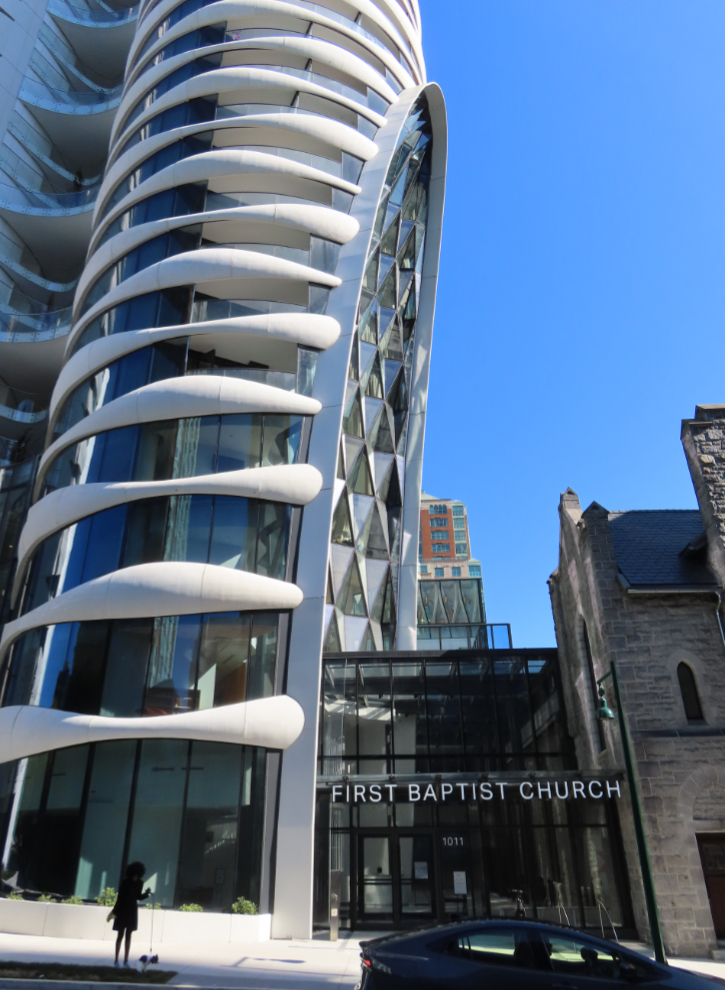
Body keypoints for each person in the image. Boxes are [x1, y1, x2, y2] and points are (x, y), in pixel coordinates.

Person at [112, 862, 151, 968]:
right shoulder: (125, 882)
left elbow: (138, 897)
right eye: (134, 875)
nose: (135, 877)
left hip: (132, 911)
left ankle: (126, 960)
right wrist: (114, 912)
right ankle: (116, 960)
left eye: (137, 875)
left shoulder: (140, 883)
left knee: (128, 935)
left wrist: (146, 894)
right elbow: (119, 898)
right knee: (120, 935)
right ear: (130, 874)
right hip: (122, 910)